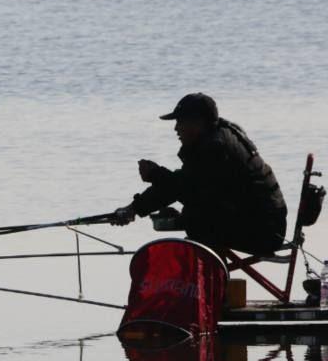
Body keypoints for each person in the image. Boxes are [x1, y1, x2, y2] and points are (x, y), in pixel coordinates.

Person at [112, 93, 287, 255]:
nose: (176, 128)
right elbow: (195, 189)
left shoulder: (215, 148)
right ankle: (211, 284)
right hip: (265, 224)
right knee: (195, 219)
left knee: (198, 227)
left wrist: (137, 202)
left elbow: (184, 188)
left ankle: (208, 284)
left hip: (264, 233)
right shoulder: (219, 136)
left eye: (180, 122)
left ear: (198, 123)